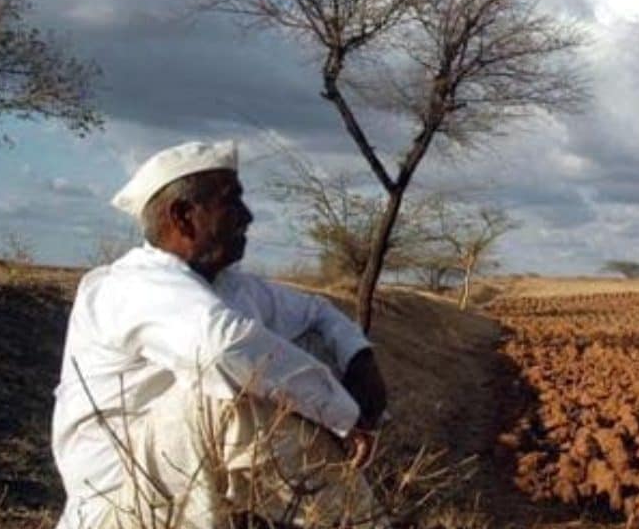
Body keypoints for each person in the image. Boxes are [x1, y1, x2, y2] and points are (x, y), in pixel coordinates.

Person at [51, 140, 389, 529]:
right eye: (231, 202)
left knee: (306, 348)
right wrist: (342, 415)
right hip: (123, 504)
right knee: (227, 391)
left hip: (187, 488)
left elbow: (317, 311)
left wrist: (361, 358)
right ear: (183, 216)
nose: (247, 216)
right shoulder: (130, 286)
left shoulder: (229, 286)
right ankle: (363, 521)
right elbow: (223, 348)